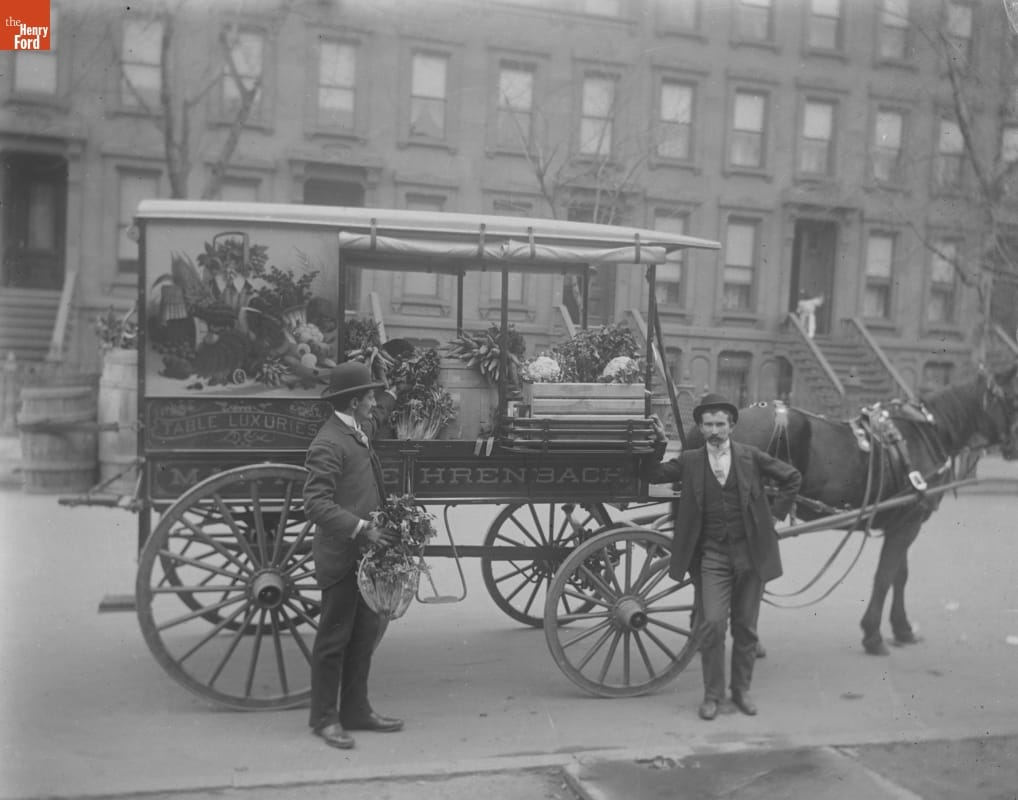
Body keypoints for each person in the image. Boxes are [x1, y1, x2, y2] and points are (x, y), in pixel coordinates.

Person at [644, 393, 800, 721]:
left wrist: (775, 516)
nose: (714, 430)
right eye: (708, 424)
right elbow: (653, 474)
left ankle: (741, 692)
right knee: (712, 624)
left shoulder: (750, 457)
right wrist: (659, 440)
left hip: (750, 555)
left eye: (720, 424)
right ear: (700, 428)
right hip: (713, 556)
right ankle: (713, 694)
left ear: (731, 426)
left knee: (746, 628)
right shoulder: (690, 461)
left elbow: (792, 478)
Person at [303, 361, 405, 749]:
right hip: (343, 557)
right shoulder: (329, 442)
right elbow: (315, 503)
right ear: (356, 400)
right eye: (371, 395)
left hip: (364, 557)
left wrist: (396, 391)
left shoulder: (355, 430)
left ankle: (356, 710)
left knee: (364, 635)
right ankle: (324, 719)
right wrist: (362, 528)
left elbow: (377, 422)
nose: (374, 401)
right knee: (334, 639)